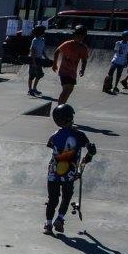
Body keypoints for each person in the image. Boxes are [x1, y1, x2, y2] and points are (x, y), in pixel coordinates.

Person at [43, 103, 96, 235]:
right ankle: (60, 219)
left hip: (53, 173)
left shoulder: (54, 136)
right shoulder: (79, 135)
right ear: (70, 117)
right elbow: (88, 155)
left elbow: (52, 147)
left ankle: (48, 225)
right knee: (66, 197)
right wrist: (89, 155)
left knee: (52, 199)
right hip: (69, 174)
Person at [51, 25, 90, 107]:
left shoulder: (83, 48)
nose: (79, 38)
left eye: (81, 36)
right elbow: (57, 52)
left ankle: (62, 105)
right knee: (66, 89)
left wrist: (83, 69)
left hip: (72, 72)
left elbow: (84, 60)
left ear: (84, 36)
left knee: (70, 90)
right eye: (78, 36)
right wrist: (54, 64)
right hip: (64, 71)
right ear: (74, 35)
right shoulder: (68, 44)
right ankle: (59, 107)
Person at [26, 25, 48, 96]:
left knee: (39, 75)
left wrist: (46, 58)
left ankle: (34, 88)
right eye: (43, 31)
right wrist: (34, 62)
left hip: (39, 59)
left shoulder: (42, 40)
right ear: (40, 32)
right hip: (33, 59)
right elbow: (32, 51)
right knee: (31, 75)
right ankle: (30, 90)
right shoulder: (35, 40)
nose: (44, 32)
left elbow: (42, 50)